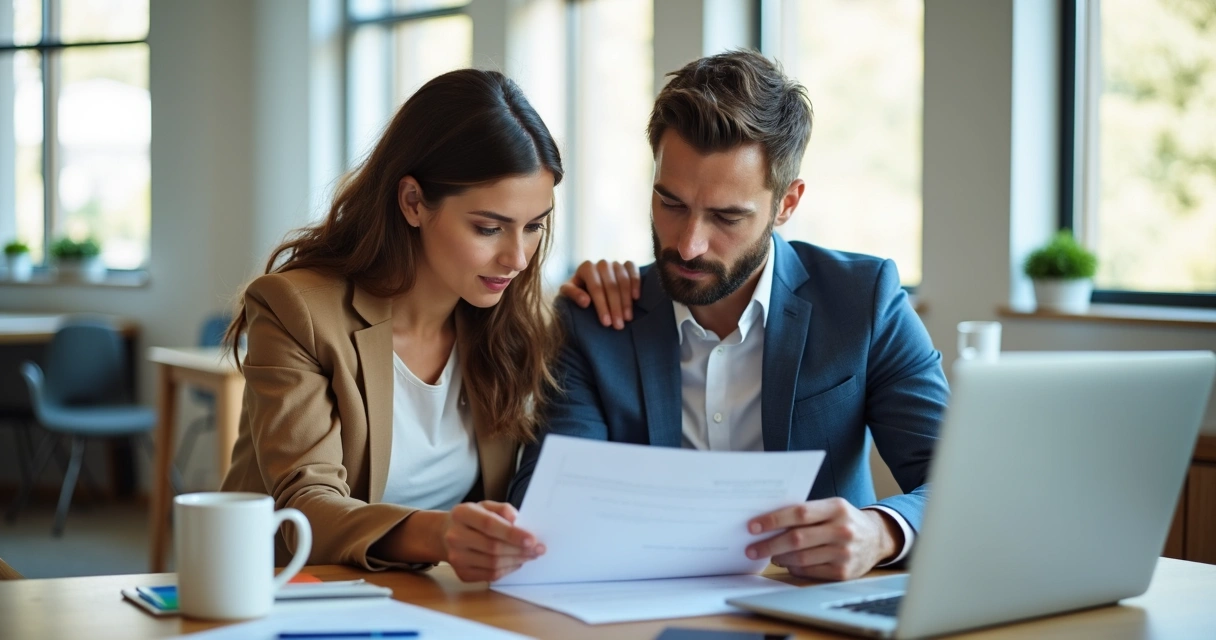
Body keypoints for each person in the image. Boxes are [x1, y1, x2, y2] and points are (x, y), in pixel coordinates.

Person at [511, 50, 950, 581]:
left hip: (810, 603)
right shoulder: (596, 320)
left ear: (786, 204)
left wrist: (880, 533)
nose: (688, 245)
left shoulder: (863, 301)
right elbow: (546, 510)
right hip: (638, 607)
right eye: (671, 204)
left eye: (726, 217)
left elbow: (958, 481)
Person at [220, 69, 562, 582]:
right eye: (489, 228)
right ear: (413, 202)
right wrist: (440, 534)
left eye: (534, 226)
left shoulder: (513, 320)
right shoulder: (299, 310)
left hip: (433, 599)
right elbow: (305, 505)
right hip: (288, 592)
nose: (517, 258)